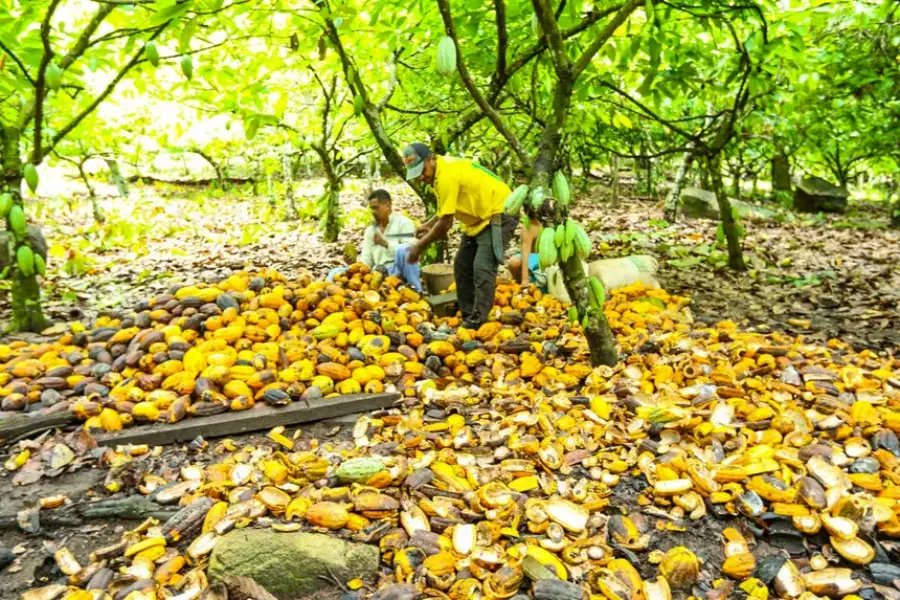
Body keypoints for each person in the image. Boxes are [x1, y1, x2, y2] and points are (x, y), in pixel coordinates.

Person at [403, 143, 517, 328]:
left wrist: (420, 246)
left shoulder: (447, 174)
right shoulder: (439, 173)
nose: (422, 177)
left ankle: (478, 323)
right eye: (417, 174)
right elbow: (445, 209)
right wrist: (428, 224)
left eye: (422, 170)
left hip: (500, 212)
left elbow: (445, 225)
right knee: (462, 265)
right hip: (477, 220)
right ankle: (468, 315)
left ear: (430, 158)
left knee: (482, 267)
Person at [327, 189, 422, 290]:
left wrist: (385, 243)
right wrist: (353, 264)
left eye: (376, 208)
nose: (373, 212)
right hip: (376, 273)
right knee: (335, 273)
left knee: (405, 249)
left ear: (388, 206)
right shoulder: (371, 231)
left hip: (397, 271)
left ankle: (415, 288)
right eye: (371, 208)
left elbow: (410, 253)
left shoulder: (403, 223)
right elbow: (367, 262)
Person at [506, 205, 547, 291]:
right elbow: (525, 253)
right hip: (532, 261)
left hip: (547, 261)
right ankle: (520, 282)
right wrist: (525, 280)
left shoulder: (551, 223)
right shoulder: (529, 227)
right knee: (514, 262)